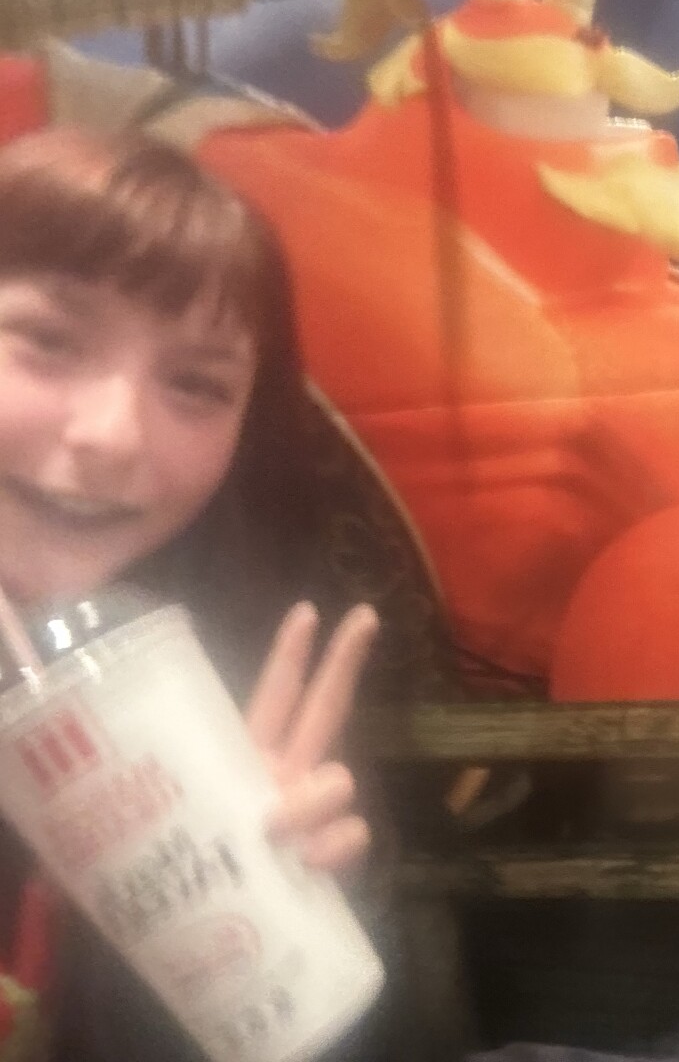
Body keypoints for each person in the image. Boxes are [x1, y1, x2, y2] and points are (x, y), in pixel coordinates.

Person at [0, 126, 398, 1061]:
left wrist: (286, 930)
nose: (113, 435)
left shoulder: (249, 703)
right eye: (49, 342)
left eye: (195, 385)